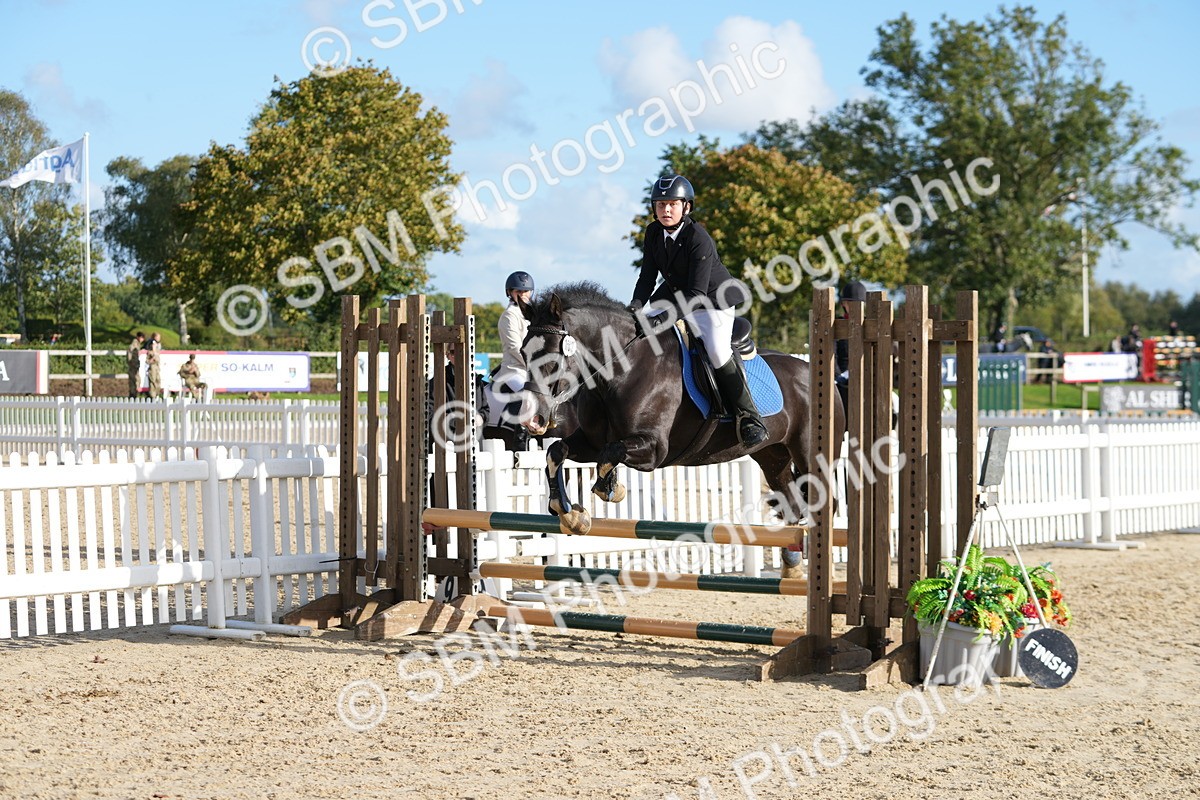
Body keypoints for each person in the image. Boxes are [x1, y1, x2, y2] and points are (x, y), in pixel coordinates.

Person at [628, 174, 767, 447]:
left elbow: (697, 294)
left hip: (713, 300)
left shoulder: (698, 238)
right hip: (680, 294)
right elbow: (647, 277)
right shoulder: (653, 233)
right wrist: (634, 308)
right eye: (660, 205)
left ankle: (750, 417)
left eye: (672, 204)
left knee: (716, 350)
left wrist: (663, 319)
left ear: (686, 207)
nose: (665, 210)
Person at [491, 271, 535, 435]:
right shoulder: (509, 316)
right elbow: (515, 347)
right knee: (527, 396)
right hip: (515, 369)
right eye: (518, 291)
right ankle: (518, 437)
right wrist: (535, 365)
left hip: (533, 370)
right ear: (510, 292)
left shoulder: (533, 315)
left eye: (525, 291)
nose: (522, 295)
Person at [126, 331, 145, 398]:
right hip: (133, 365)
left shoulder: (137, 345)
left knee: (135, 380)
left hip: (135, 365)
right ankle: (133, 394)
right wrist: (131, 363)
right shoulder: (134, 345)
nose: (142, 339)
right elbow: (129, 354)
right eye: (142, 338)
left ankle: (134, 394)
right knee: (134, 380)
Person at [145, 332, 163, 399]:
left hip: (157, 367)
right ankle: (152, 396)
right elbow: (147, 361)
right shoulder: (150, 353)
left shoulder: (157, 352)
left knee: (158, 380)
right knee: (152, 381)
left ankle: (157, 394)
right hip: (152, 368)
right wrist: (151, 360)